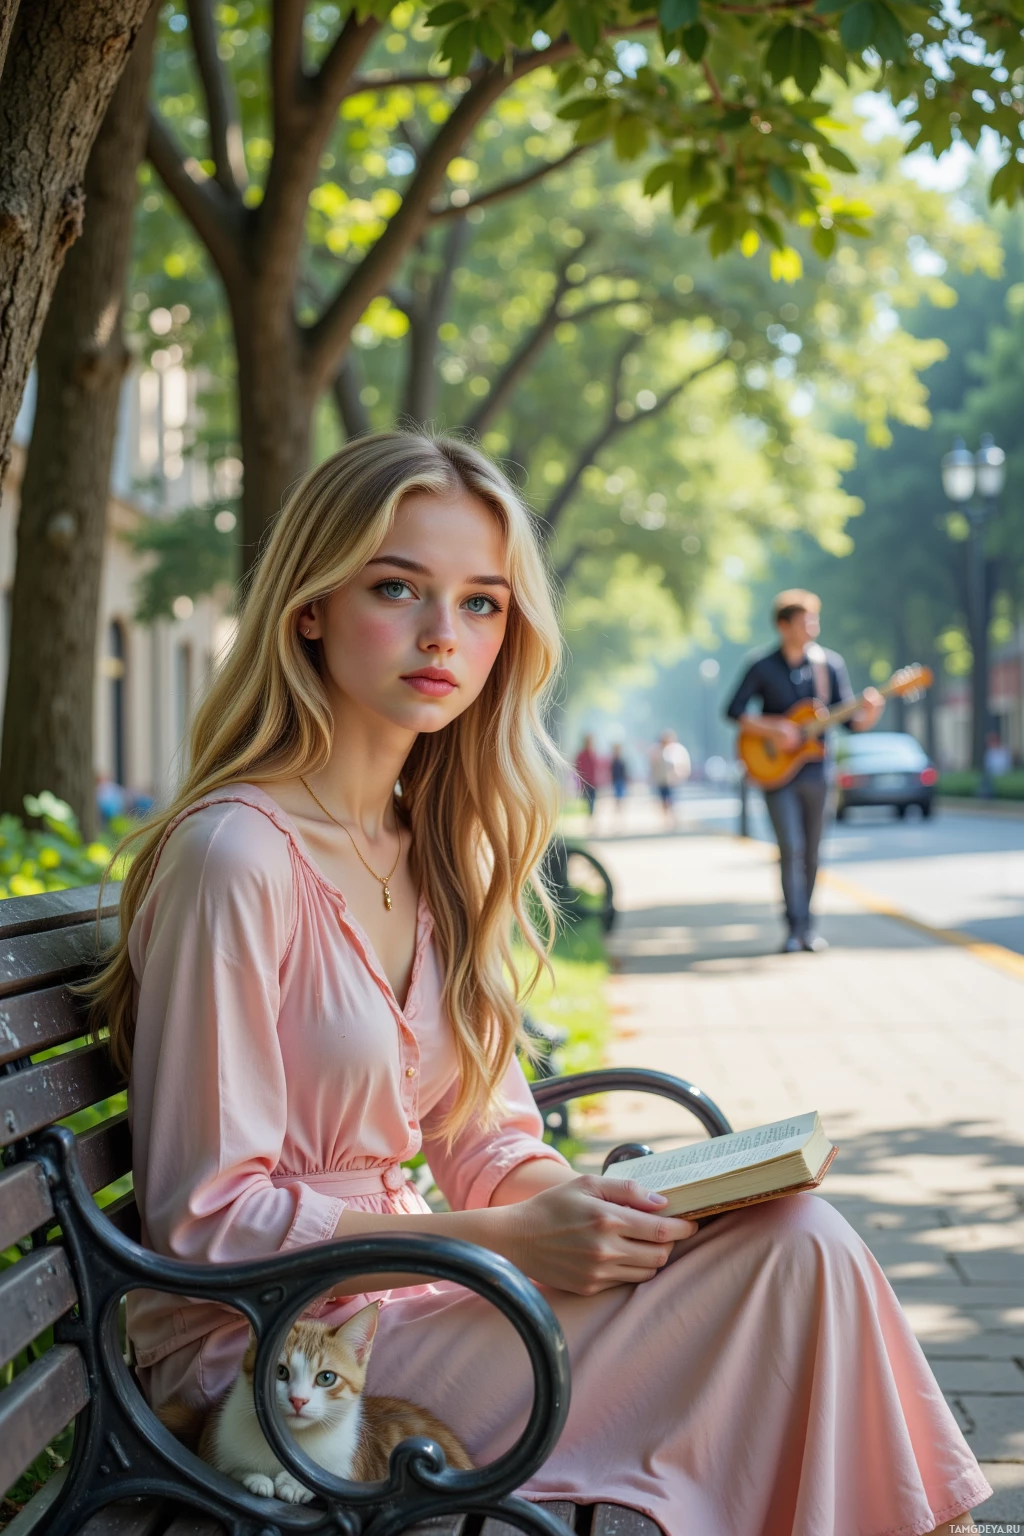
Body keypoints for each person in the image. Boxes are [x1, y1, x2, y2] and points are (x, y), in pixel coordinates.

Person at [89, 437, 987, 1535]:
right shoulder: (236, 859)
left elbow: (485, 1137)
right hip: (271, 1360)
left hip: (410, 1299)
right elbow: (207, 1225)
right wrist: (505, 1243)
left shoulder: (427, 848)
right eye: (396, 588)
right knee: (790, 1288)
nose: (442, 637)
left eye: (481, 604)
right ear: (310, 608)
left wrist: (582, 1212)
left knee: (795, 1238)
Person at [726, 588, 884, 953]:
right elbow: (733, 710)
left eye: (815, 619)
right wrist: (774, 729)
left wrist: (870, 713)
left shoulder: (829, 665)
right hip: (776, 773)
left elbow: (849, 721)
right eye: (804, 620)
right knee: (790, 848)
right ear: (783, 626)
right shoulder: (761, 666)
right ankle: (794, 928)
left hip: (817, 773)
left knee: (812, 852)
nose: (812, 626)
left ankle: (808, 926)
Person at [649, 729, 690, 828]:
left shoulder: (678, 750)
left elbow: (684, 763)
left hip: (674, 781)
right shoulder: (656, 750)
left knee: (673, 800)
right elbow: (652, 765)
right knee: (663, 801)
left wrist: (683, 773)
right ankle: (666, 818)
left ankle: (673, 819)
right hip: (661, 780)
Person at [574, 733, 599, 820]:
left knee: (592, 801)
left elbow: (597, 768)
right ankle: (588, 818)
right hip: (585, 782)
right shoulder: (581, 755)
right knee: (586, 801)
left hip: (593, 782)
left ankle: (591, 818)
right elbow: (577, 768)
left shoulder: (594, 754)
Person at [609, 741, 629, 817]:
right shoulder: (613, 761)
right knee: (617, 795)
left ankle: (620, 808)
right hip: (616, 781)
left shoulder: (622, 760)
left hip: (621, 780)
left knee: (621, 794)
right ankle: (617, 807)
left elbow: (624, 771)